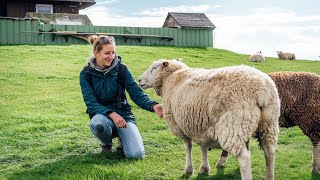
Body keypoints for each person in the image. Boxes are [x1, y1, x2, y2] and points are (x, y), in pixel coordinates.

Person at [80, 35, 163, 159]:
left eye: (113, 52)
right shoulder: (86, 74)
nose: (111, 56)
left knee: (136, 155)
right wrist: (112, 114)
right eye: (107, 53)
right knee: (98, 123)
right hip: (102, 116)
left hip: (124, 116)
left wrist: (153, 105)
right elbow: (91, 103)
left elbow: (136, 93)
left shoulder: (122, 69)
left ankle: (122, 140)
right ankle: (106, 143)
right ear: (96, 52)